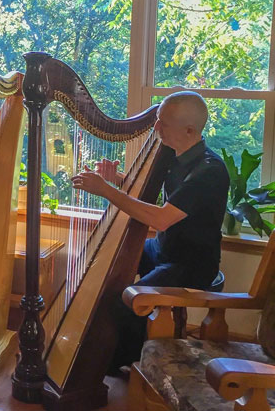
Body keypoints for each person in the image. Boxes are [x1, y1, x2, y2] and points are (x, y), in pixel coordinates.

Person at [71, 90, 229, 372]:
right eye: (157, 120)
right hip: (164, 249)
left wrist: (106, 190)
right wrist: (116, 179)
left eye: (162, 124)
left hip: (191, 264)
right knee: (106, 267)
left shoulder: (209, 171)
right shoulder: (174, 155)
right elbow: (160, 199)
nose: (155, 128)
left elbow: (160, 219)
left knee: (129, 299)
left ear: (190, 130)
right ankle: (124, 351)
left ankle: (128, 363)